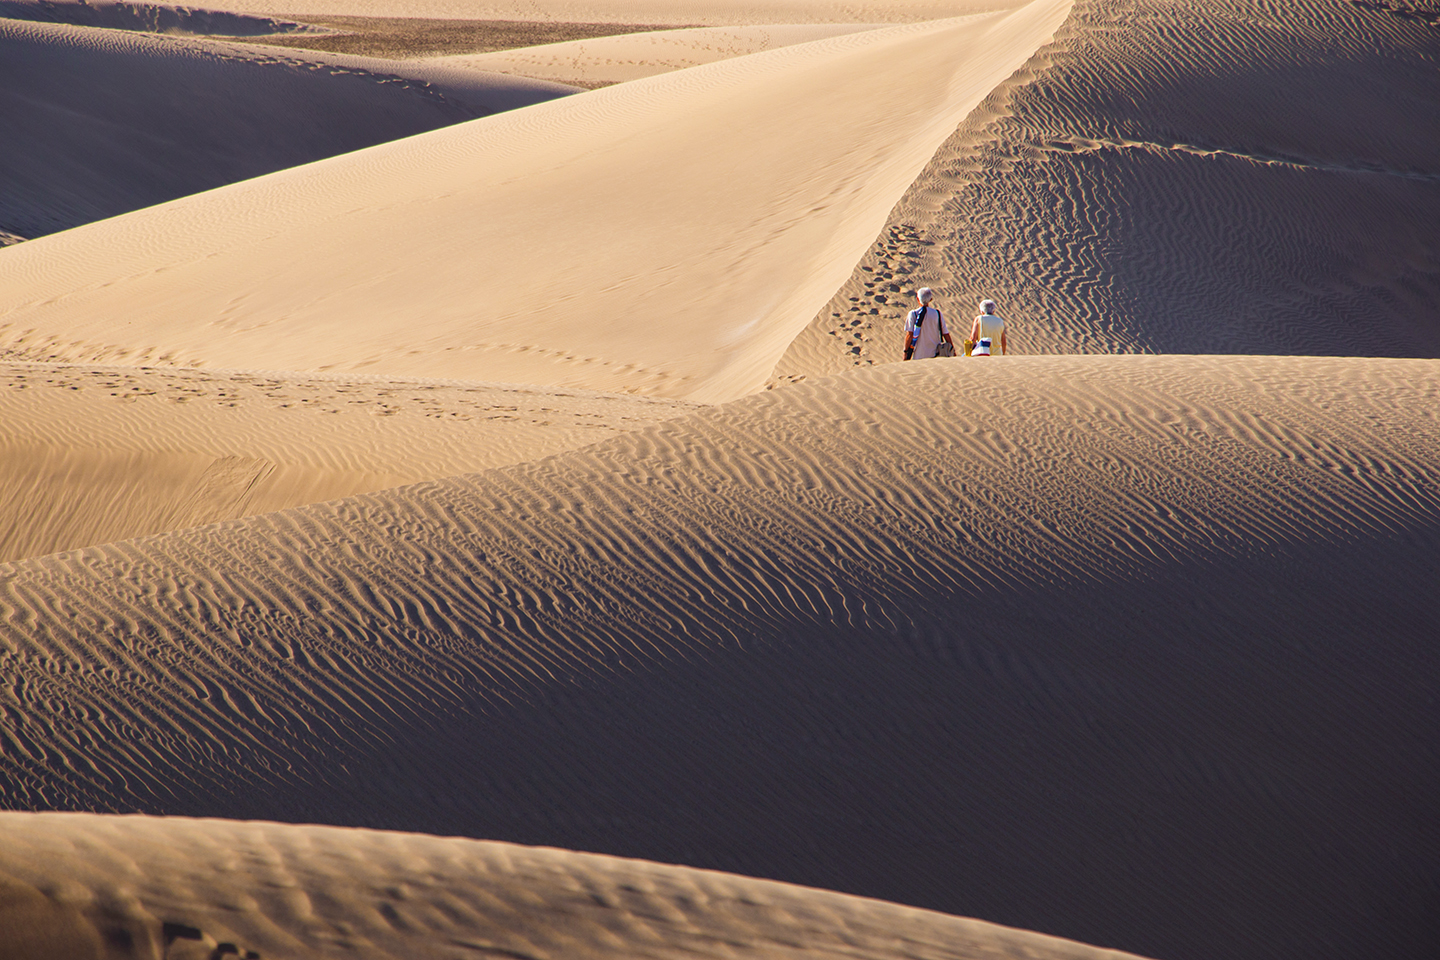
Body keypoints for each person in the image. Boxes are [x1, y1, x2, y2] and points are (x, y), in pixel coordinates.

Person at [903, 288, 955, 360]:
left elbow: (909, 335)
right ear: (931, 299)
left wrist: (905, 352)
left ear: (917, 299)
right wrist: (952, 350)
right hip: (935, 355)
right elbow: (945, 334)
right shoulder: (937, 313)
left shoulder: (913, 314)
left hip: (919, 356)